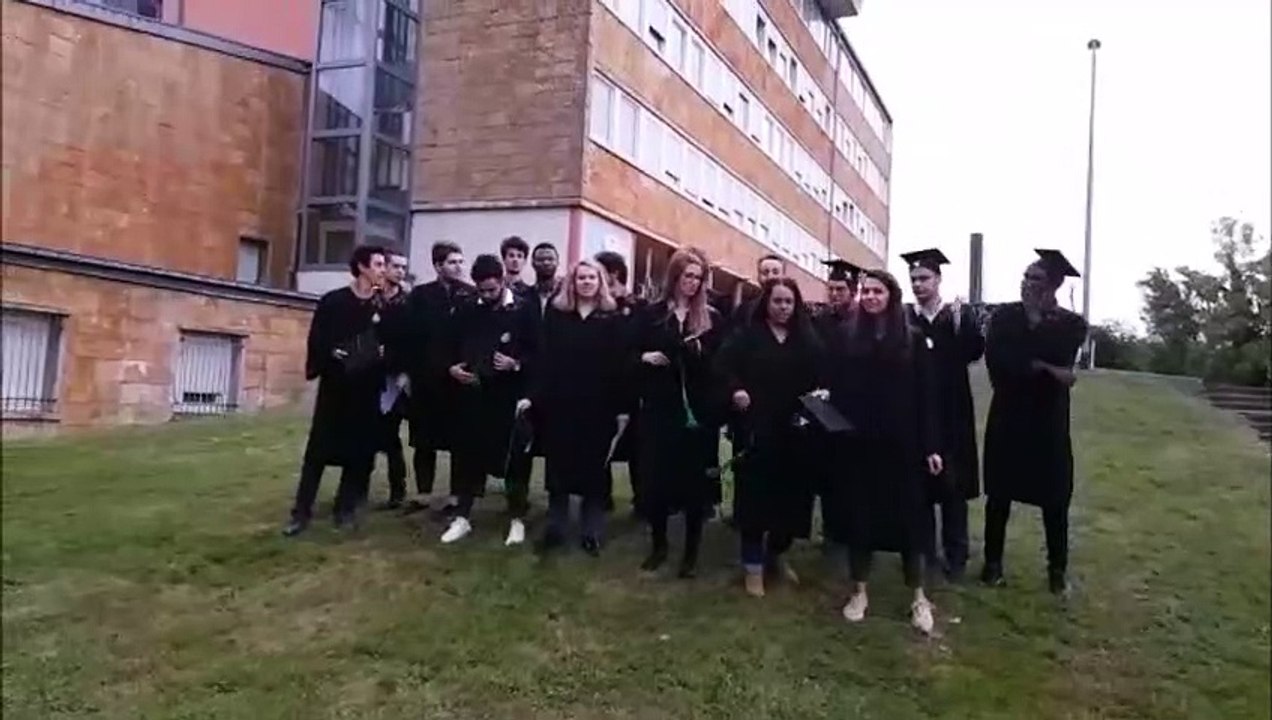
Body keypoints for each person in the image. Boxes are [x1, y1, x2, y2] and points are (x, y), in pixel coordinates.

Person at [827, 269, 943, 634]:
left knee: (911, 524)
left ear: (891, 297)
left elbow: (928, 398)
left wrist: (932, 446)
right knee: (861, 520)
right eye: (866, 291)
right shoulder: (847, 338)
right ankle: (859, 592)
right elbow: (836, 388)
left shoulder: (913, 340)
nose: (871, 297)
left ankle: (919, 598)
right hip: (860, 445)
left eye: (878, 291)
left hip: (903, 446)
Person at [981, 249, 1088, 596]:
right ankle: (992, 564)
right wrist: (1043, 367)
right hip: (1008, 417)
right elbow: (999, 365)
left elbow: (1062, 360)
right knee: (999, 495)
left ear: (1055, 284)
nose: (1027, 284)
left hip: (1048, 424)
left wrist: (1037, 361)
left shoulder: (1073, 324)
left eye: (1036, 279)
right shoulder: (1004, 316)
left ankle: (1057, 571)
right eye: (1025, 277)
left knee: (1055, 499)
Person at [716, 277, 827, 598]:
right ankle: (752, 567)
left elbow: (822, 376)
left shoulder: (807, 340)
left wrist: (820, 394)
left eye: (788, 302)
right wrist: (735, 390)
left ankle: (776, 554)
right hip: (755, 429)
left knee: (789, 502)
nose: (782, 307)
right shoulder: (746, 335)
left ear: (796, 305)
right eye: (777, 301)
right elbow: (723, 367)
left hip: (793, 432)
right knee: (754, 500)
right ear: (766, 302)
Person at [518, 260, 629, 556]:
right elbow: (545, 360)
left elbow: (620, 367)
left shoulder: (612, 318)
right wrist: (533, 395)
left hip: (599, 405)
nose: (587, 282)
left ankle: (591, 529)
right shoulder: (556, 315)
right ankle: (556, 527)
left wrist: (622, 407)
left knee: (595, 467)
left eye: (592, 277)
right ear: (573, 282)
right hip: (560, 403)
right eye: (581, 277)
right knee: (558, 466)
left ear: (600, 282)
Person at [283, 245, 388, 536]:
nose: (383, 269)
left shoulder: (382, 306)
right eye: (378, 264)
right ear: (363, 267)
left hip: (365, 389)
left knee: (358, 452)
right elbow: (318, 340)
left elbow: (391, 342)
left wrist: (380, 353)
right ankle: (300, 512)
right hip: (336, 388)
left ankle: (345, 508)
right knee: (318, 452)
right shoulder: (333, 302)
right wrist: (334, 354)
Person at [634, 249, 723, 578]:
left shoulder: (711, 317)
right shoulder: (652, 314)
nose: (692, 283)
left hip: (697, 413)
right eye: (687, 276)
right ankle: (659, 546)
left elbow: (721, 364)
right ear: (674, 277)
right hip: (660, 408)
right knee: (657, 481)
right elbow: (628, 352)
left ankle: (691, 554)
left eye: (698, 278)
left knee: (695, 487)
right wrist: (645, 357)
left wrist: (701, 354)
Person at [439, 254, 538, 546]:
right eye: (481, 290)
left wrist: (516, 364)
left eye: (491, 290)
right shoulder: (467, 308)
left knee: (514, 461)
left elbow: (540, 353)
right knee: (468, 458)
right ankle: (463, 517)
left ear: (503, 280)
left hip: (510, 398)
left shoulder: (524, 310)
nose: (486, 296)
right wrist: (451, 368)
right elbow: (447, 345)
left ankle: (517, 519)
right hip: (474, 395)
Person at [900, 248, 985, 583]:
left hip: (953, 412)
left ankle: (956, 556)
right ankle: (924, 553)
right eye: (914, 280)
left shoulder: (956, 317)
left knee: (953, 488)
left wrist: (966, 324)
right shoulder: (906, 318)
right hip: (917, 410)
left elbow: (974, 352)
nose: (919, 285)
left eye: (924, 279)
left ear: (938, 280)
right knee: (919, 487)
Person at [403, 242, 473, 517]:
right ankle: (423, 493)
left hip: (460, 380)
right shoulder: (420, 296)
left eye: (460, 261)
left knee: (459, 440)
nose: (458, 266)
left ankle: (457, 494)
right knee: (424, 440)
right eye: (452, 262)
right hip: (428, 378)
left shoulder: (470, 295)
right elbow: (413, 339)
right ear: (438, 266)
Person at [809, 259, 862, 548]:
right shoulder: (821, 321)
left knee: (852, 474)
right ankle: (831, 532)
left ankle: (852, 531)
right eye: (831, 289)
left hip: (855, 405)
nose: (834, 295)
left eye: (840, 289)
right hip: (825, 406)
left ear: (853, 290)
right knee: (828, 473)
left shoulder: (863, 321)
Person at [595, 250, 645, 516]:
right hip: (603, 387)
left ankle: (642, 500)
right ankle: (602, 497)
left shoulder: (637, 306)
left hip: (632, 385)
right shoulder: (597, 306)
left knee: (637, 448)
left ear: (613, 273)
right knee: (601, 442)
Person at [375, 248, 413, 510]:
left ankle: (398, 490)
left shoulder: (409, 302)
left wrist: (405, 372)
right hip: (370, 375)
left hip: (396, 379)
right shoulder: (372, 299)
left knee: (390, 436)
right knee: (366, 434)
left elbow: (416, 340)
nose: (400, 271)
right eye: (396, 266)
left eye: (403, 267)